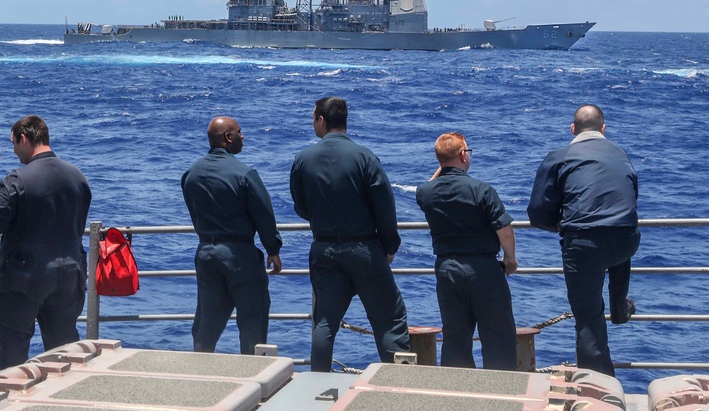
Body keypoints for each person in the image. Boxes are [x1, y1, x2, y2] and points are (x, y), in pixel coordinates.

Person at [289, 97, 411, 371]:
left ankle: (318, 382)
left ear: (321, 120)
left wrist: (323, 219)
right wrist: (389, 246)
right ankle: (399, 382)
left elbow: (300, 206)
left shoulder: (303, 159)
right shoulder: (365, 156)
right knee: (389, 320)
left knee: (325, 323)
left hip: (325, 249)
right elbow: (384, 205)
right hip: (365, 250)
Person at [528, 104, 639, 376]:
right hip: (625, 236)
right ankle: (620, 306)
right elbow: (631, 194)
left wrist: (564, 227)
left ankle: (599, 388)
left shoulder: (558, 157)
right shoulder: (620, 153)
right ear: (603, 128)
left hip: (584, 243)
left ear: (572, 129)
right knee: (617, 246)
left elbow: (537, 212)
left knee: (589, 320)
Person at [0, 115, 92, 369]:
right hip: (69, 274)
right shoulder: (77, 176)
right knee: (65, 353)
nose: (14, 150)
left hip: (23, 278)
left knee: (13, 352)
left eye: (13, 143)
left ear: (24, 138)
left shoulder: (17, 179)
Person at [181, 116, 283, 354]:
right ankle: (252, 377)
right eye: (239, 132)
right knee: (252, 321)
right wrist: (273, 249)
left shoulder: (191, 173)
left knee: (207, 322)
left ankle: (200, 374)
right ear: (228, 138)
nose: (243, 136)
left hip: (206, 253)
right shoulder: (244, 174)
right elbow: (264, 215)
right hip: (240, 256)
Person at [417, 133, 518, 370]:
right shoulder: (481, 190)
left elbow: (429, 186)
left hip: (447, 270)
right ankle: (500, 397)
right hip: (483, 270)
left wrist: (442, 167)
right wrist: (510, 259)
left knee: (455, 338)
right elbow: (504, 230)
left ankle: (458, 395)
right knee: (497, 337)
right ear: (463, 155)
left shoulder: (425, 192)